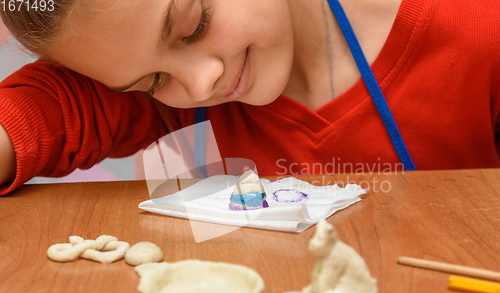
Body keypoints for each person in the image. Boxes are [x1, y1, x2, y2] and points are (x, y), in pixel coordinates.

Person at [0, 0, 499, 196]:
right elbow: (43, 111)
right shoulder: (165, 93)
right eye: (150, 82)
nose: (198, 87)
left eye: (194, 27)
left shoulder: (482, 35)